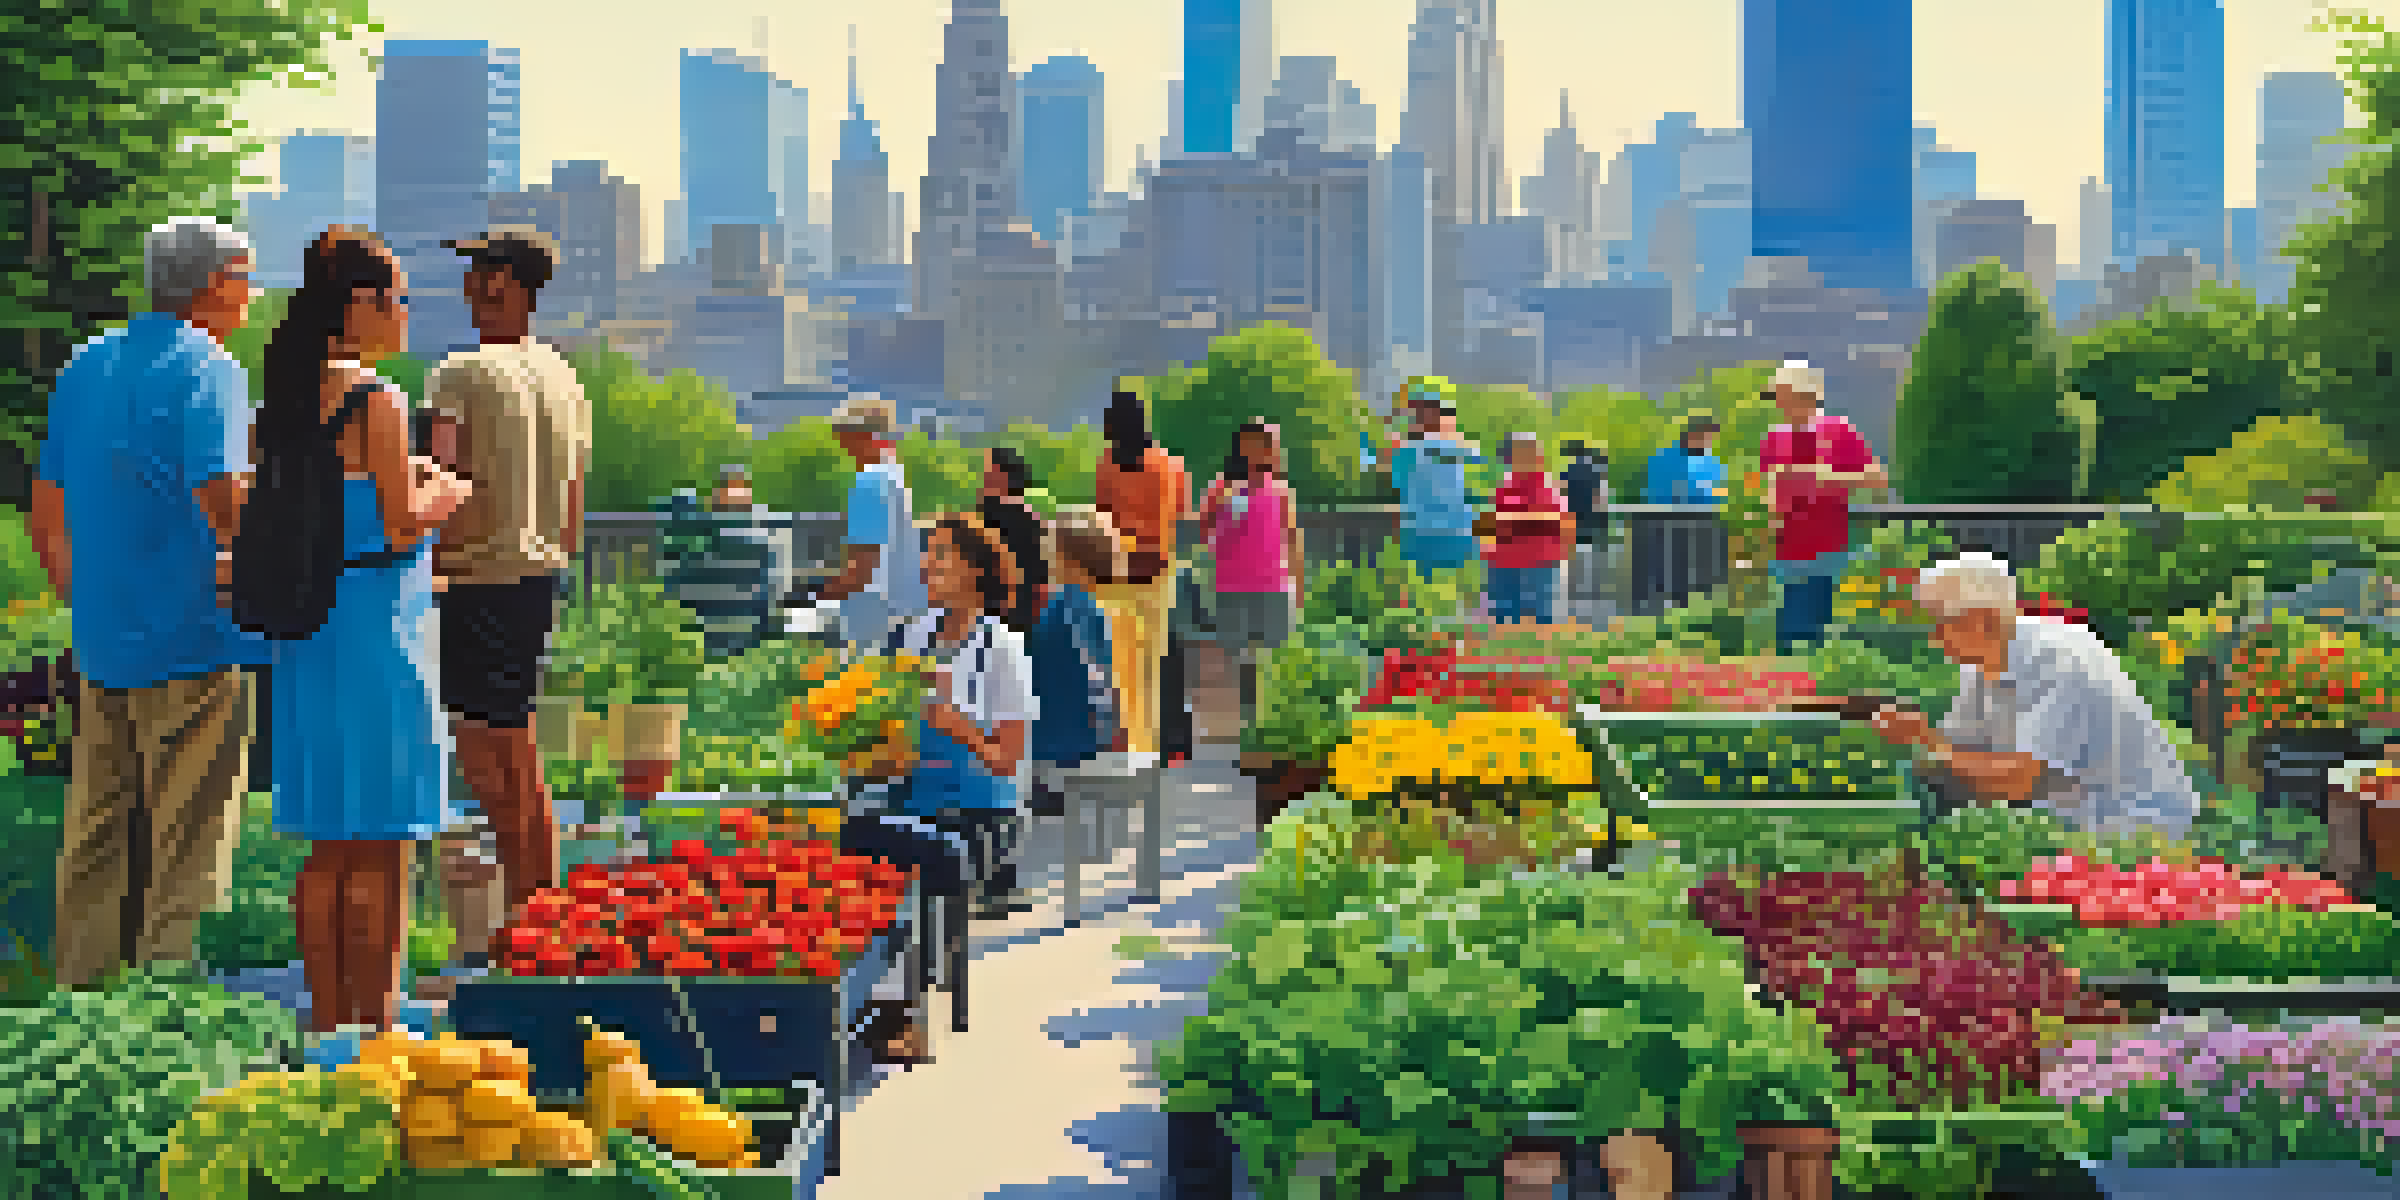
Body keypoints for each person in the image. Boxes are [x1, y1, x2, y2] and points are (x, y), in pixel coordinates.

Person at [28, 217, 272, 991]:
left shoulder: (88, 363)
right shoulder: (210, 367)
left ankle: (81, 1003)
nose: (252, 292)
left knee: (97, 833)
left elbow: (46, 511)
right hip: (195, 637)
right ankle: (171, 1010)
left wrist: (93, 599)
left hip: (105, 643)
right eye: (246, 276)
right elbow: (224, 500)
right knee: (189, 837)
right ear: (215, 283)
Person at [260, 228, 473, 1033]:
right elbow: (395, 525)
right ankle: (378, 1025)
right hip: (379, 627)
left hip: (308, 634)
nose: (407, 314)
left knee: (326, 845)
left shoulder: (280, 397)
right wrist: (445, 494)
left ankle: (325, 1025)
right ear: (361, 304)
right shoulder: (375, 399)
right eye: (399, 299)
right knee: (383, 842)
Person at [422, 226, 589, 930]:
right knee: (520, 754)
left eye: (482, 273)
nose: (471, 288)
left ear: (506, 285)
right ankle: (541, 918)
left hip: (472, 576)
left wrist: (423, 557)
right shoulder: (563, 375)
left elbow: (440, 477)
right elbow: (576, 497)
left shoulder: (456, 374)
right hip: (538, 576)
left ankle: (527, 927)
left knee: (488, 760)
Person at [1870, 554, 2198, 838]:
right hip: (2066, 816)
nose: (1933, 637)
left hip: (2133, 825)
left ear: (1982, 620)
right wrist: (1901, 746)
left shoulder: (2059, 659)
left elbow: (2020, 779)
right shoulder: (1981, 661)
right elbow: (1962, 755)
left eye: (1938, 623)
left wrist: (1931, 745)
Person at [877, 513, 1038, 1061]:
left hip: (982, 812)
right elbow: (885, 733)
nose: (928, 565)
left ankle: (912, 1014)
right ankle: (876, 1000)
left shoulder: (1002, 650)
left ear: (974, 570)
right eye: (928, 554)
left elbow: (1006, 762)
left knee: (933, 854)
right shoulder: (908, 637)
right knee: (857, 840)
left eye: (941, 555)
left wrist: (955, 725)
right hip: (913, 800)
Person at [1758, 361, 1889, 653]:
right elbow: (1771, 486)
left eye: (1784, 395)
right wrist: (1771, 513)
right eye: (1778, 396)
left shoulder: (1839, 431)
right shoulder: (1773, 438)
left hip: (1828, 548)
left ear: (1804, 395)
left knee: (1818, 630)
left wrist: (1825, 478)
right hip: (1786, 549)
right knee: (1789, 633)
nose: (1779, 403)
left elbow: (1877, 479)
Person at [1091, 389, 1189, 759]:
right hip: (1158, 569)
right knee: (1159, 657)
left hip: (1119, 571)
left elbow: (1102, 516)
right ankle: (1171, 744)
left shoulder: (1107, 465)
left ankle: (1132, 740)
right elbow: (1179, 513)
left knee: (1122, 660)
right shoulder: (1170, 464)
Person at [1027, 507, 1123, 876]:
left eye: (1050, 548)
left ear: (1068, 556)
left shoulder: (1066, 607)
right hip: (1070, 735)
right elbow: (1101, 678)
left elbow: (1092, 675)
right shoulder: (1080, 607)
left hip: (1058, 737)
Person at [1200, 420, 1304, 727]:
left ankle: (1275, 726)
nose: (1273, 449)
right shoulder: (1222, 487)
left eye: (1274, 443)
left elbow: (1293, 538)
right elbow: (1204, 532)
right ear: (1245, 447)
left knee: (1277, 661)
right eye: (1266, 443)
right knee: (1240, 661)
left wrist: (1297, 588)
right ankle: (1249, 724)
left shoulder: (1282, 490)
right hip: (1232, 587)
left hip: (1274, 588)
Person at [814, 394, 926, 654]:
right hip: (904, 615)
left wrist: (815, 598)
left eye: (842, 436)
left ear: (859, 435)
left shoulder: (869, 483)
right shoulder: (895, 477)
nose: (842, 447)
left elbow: (862, 569)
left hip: (872, 624)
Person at [1389, 378, 1485, 574]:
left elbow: (1397, 491)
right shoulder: (1459, 448)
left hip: (1422, 533)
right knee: (1462, 592)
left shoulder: (1406, 451)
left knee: (1425, 594)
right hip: (1458, 533)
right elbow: (1480, 460)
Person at [1483, 433, 1573, 626]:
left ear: (1537, 456)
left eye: (1527, 453)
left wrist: (1514, 521)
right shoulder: (1505, 486)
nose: (1518, 459)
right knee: (1505, 621)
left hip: (1539, 565)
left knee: (1541, 620)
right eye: (1516, 454)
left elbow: (1558, 523)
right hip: (1505, 564)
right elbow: (1493, 522)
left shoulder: (1548, 487)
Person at [976, 446, 1047, 634]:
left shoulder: (987, 513)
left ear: (1002, 475)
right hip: (1024, 611)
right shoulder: (1034, 518)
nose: (983, 476)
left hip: (991, 611)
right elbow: (1042, 575)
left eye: (988, 469)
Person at [1559, 440, 1610, 623]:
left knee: (1573, 568)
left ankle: (1572, 608)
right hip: (1594, 526)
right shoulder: (1597, 474)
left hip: (1572, 526)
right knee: (1593, 569)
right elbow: (1601, 502)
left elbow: (1561, 500)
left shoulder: (1565, 473)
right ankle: (1592, 609)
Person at [1644, 414, 1727, 505]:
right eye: (1702, 435)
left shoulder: (1709, 461)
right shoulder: (1665, 457)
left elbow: (1720, 490)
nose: (1706, 441)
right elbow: (1660, 490)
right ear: (1690, 434)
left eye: (1709, 437)